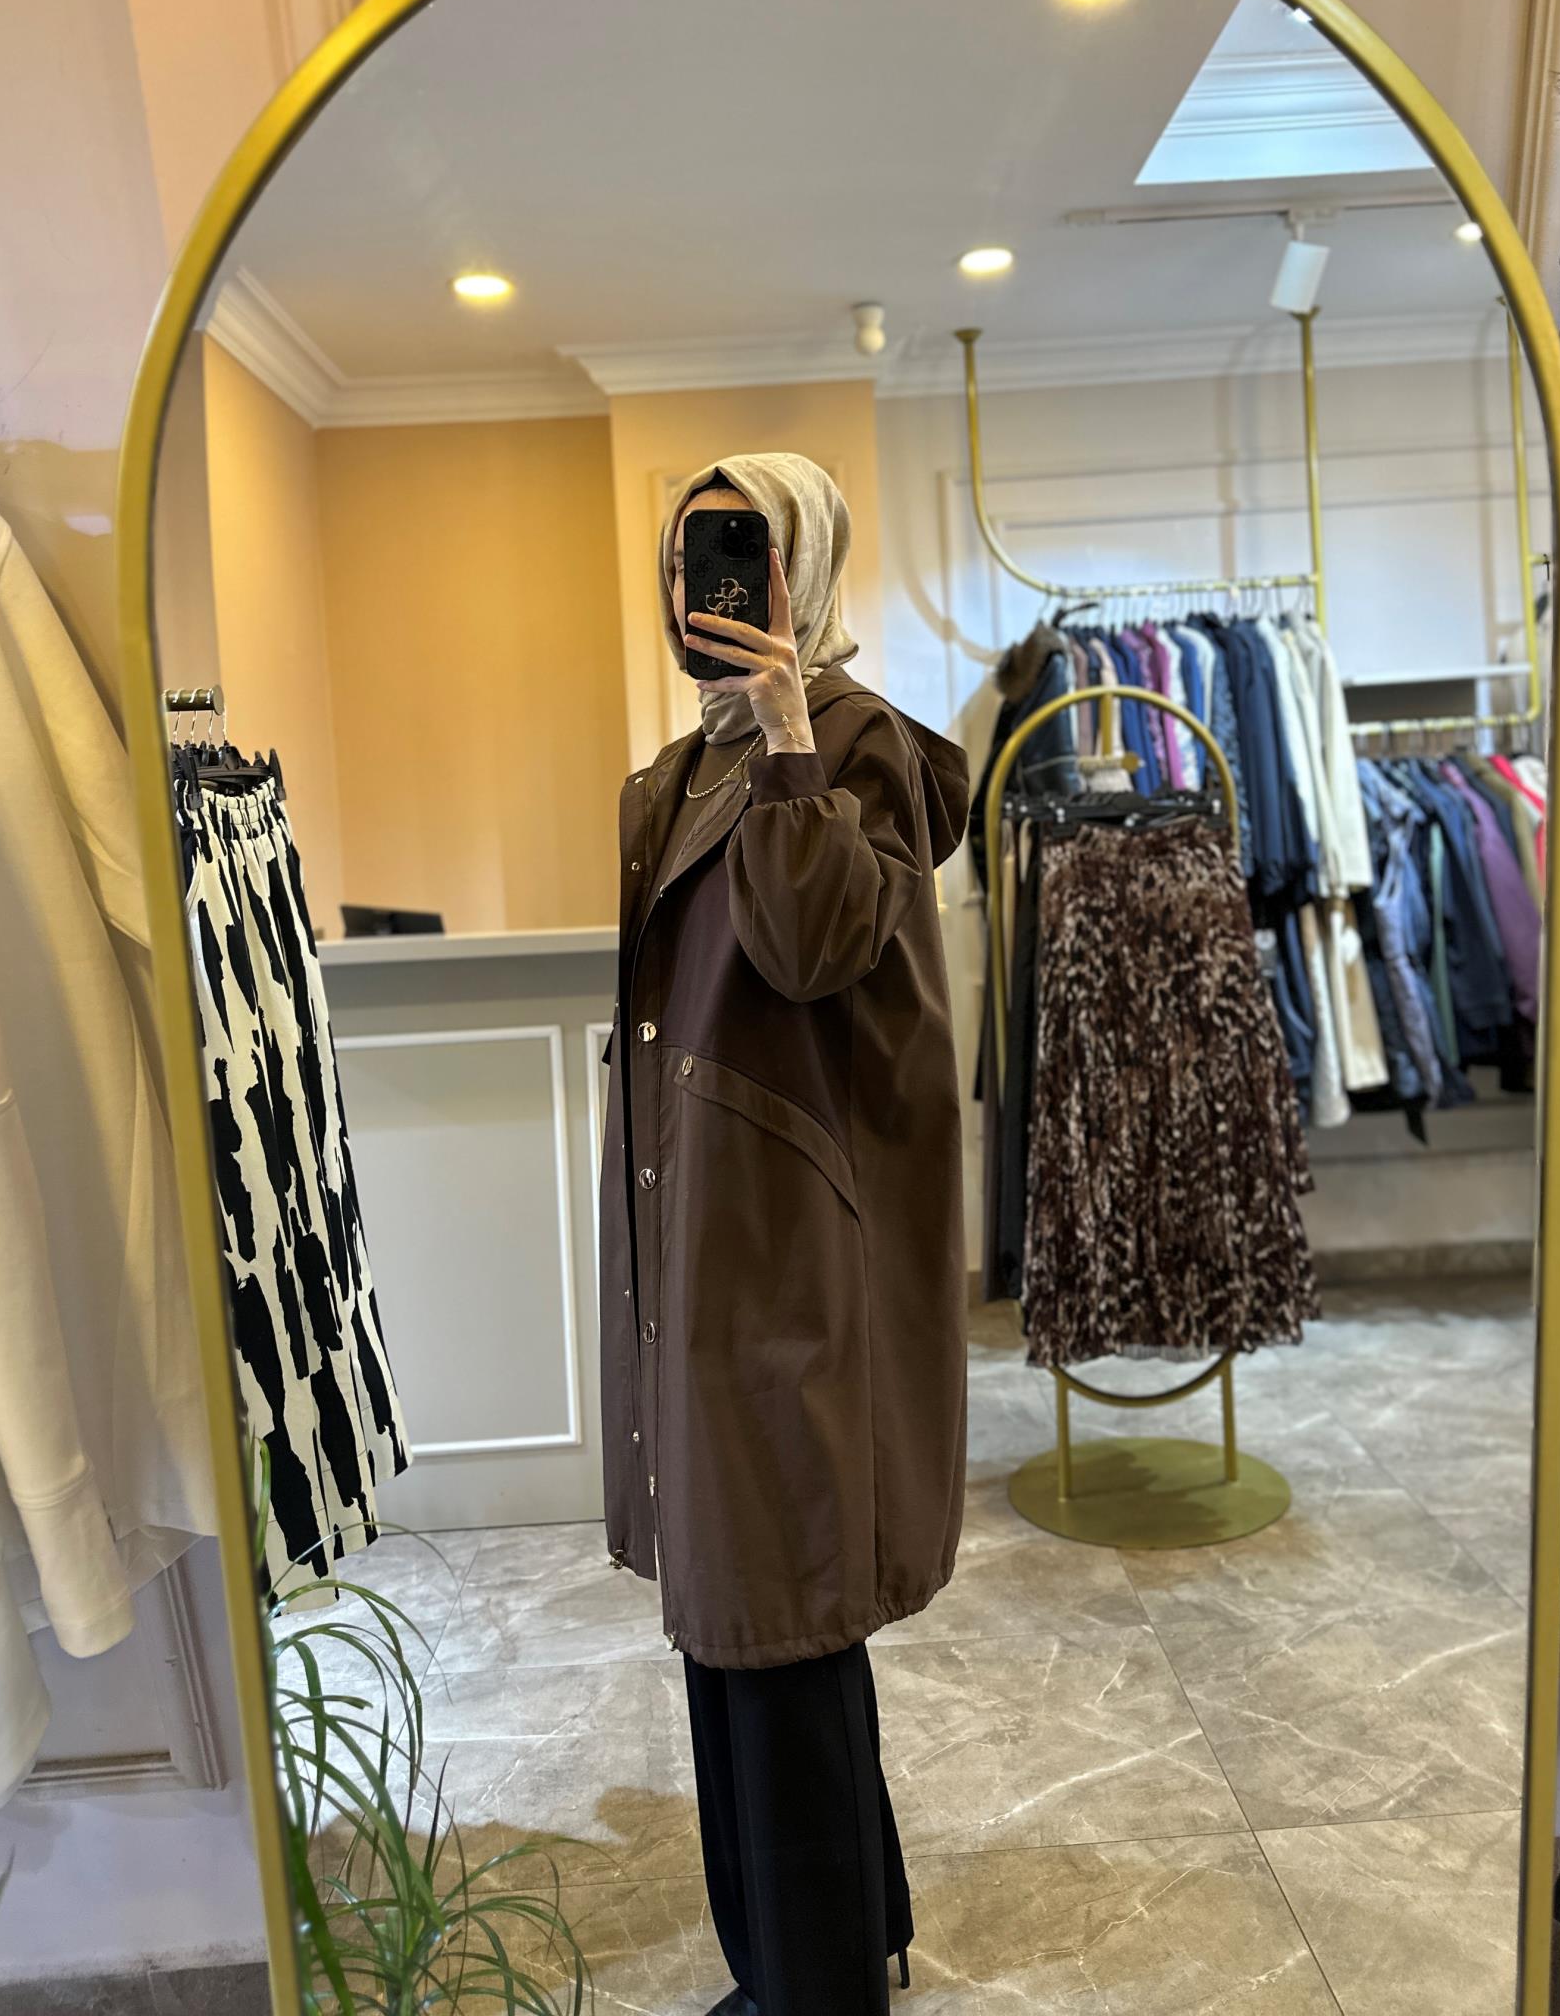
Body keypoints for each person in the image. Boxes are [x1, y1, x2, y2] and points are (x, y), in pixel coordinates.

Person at [598, 452, 970, 2016]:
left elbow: (813, 944)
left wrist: (790, 740)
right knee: (749, 1627)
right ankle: (844, 1939)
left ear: (800, 573)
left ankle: (810, 1991)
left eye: (739, 554)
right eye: (688, 559)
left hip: (787, 1253)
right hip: (705, 1240)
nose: (706, 588)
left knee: (773, 1627)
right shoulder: (676, 773)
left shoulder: (856, 744)